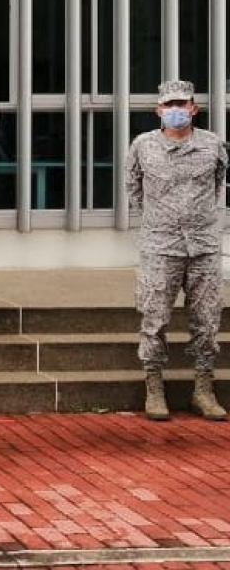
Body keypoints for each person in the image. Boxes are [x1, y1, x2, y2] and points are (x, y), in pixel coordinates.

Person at [125, 80, 228, 421]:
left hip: (204, 247)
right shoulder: (143, 146)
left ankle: (203, 389)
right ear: (158, 110)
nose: (175, 111)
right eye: (169, 105)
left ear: (193, 108)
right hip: (160, 246)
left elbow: (219, 187)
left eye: (181, 104)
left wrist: (206, 222)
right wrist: (158, 220)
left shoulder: (213, 145)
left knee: (207, 321)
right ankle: (154, 387)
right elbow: (133, 187)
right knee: (154, 319)